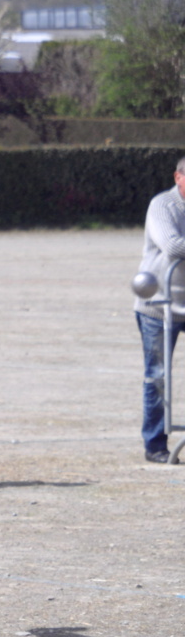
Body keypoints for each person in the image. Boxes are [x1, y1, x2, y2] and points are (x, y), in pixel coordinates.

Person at [135, 157, 185, 464]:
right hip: (159, 306)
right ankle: (155, 443)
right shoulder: (162, 205)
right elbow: (173, 245)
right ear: (178, 176)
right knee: (158, 375)